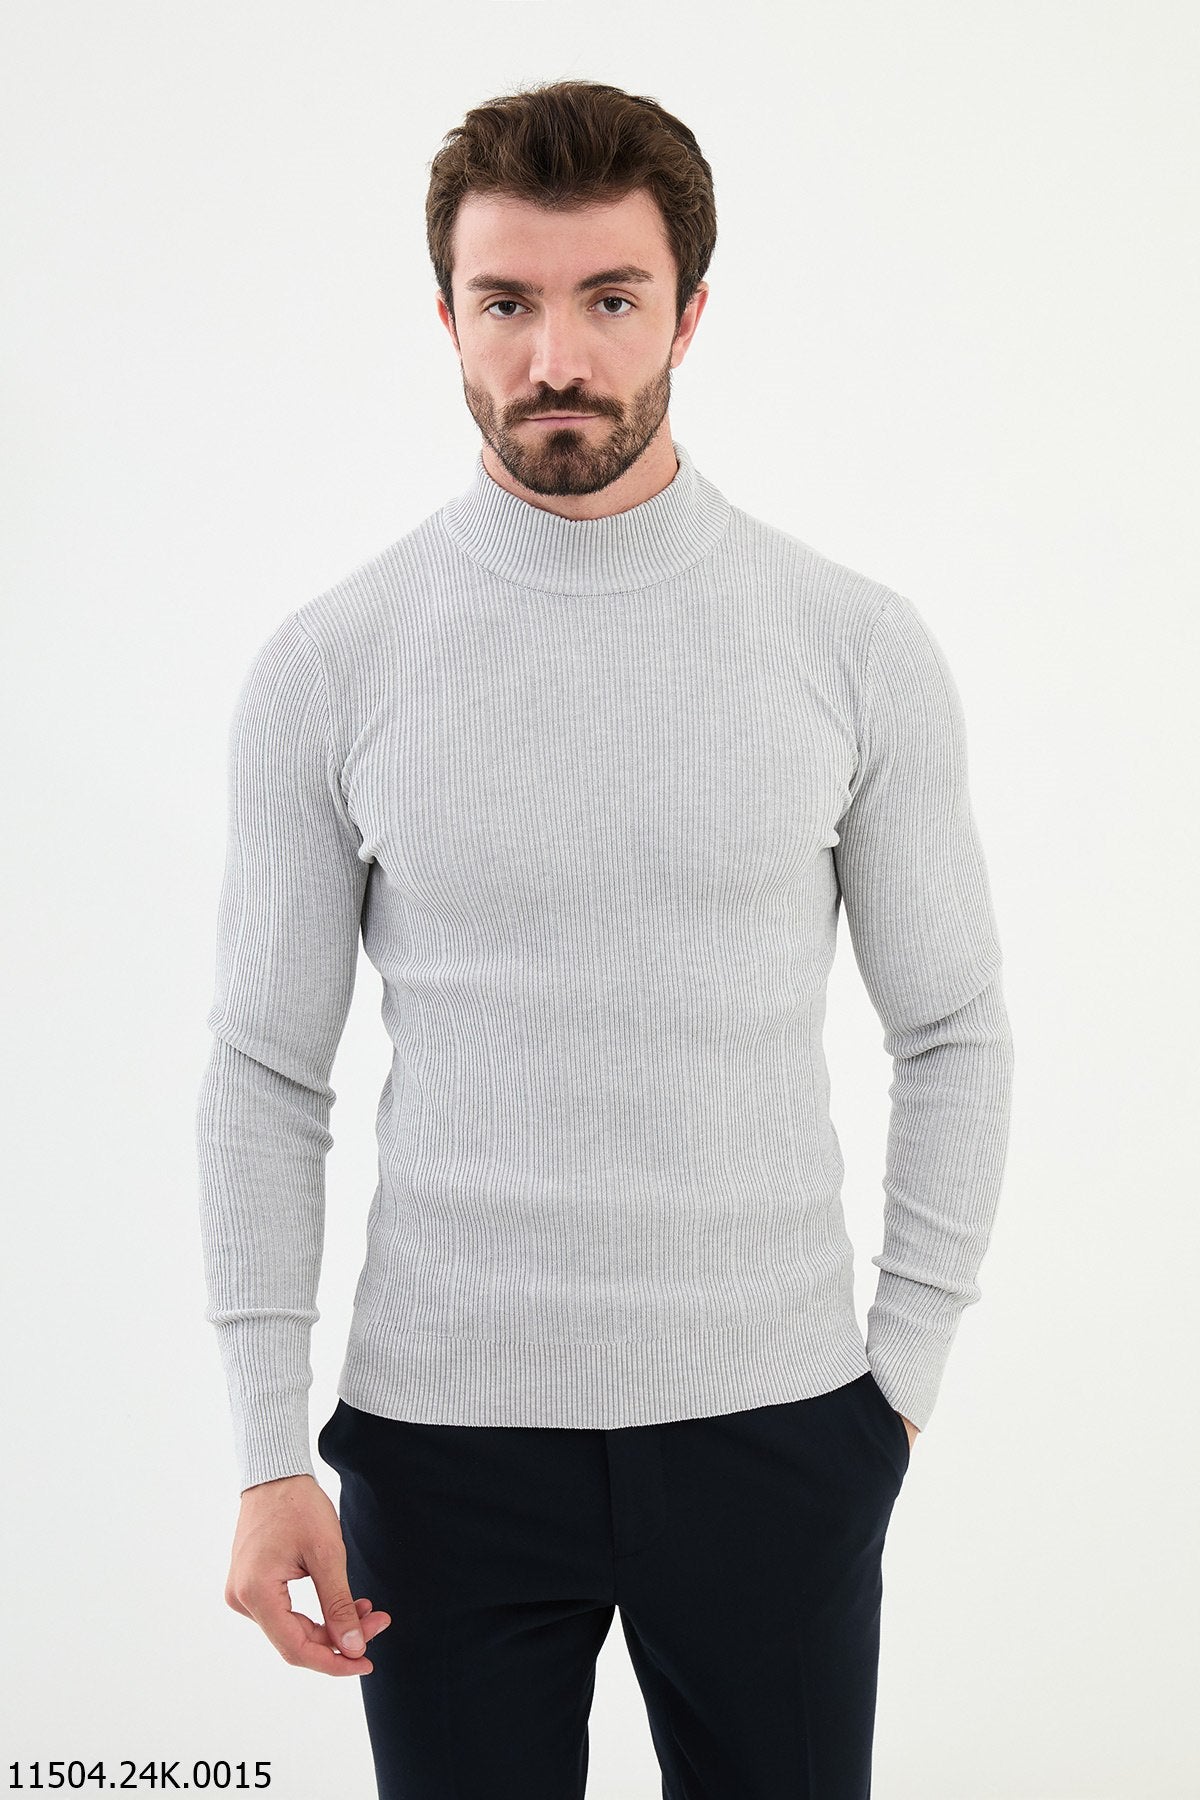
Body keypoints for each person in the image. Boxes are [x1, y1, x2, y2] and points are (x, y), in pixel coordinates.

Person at [196, 77, 1014, 1799]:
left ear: (690, 314)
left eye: (611, 300)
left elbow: (952, 1031)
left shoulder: (851, 647)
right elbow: (265, 1070)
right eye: (506, 302)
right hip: (442, 1451)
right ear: (447, 318)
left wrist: (898, 1385)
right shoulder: (334, 667)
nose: (556, 356)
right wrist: (271, 1450)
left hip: (782, 1430)